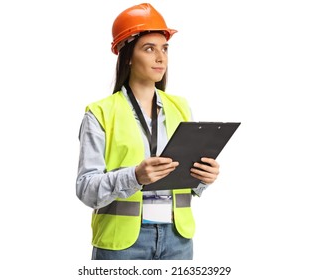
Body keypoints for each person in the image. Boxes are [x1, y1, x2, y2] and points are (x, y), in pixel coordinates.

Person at [76, 3, 220, 260]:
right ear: (128, 55)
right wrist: (135, 176)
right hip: (122, 244)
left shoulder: (181, 107)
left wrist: (204, 177)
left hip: (178, 239)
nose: (160, 57)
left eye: (164, 48)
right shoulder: (100, 113)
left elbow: (188, 178)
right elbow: (86, 189)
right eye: (149, 48)